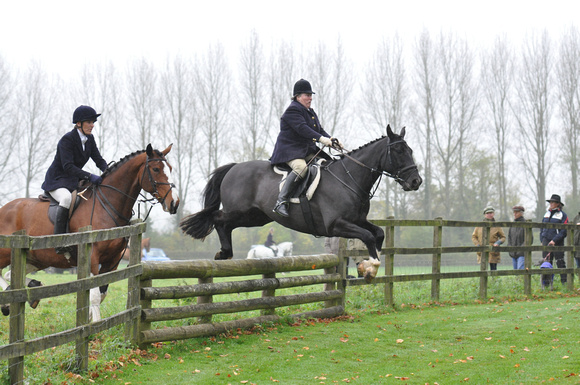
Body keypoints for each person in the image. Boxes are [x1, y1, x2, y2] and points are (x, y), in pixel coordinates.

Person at [270, 79, 342, 217]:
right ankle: (281, 201)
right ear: (298, 96)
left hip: (306, 150)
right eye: (307, 95)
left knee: (329, 164)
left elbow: (320, 130)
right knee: (301, 169)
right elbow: (303, 129)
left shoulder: (310, 112)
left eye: (311, 95)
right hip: (290, 151)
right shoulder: (293, 110)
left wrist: (332, 140)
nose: (310, 98)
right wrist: (321, 139)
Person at [41, 105, 108, 254]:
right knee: (65, 199)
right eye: (89, 122)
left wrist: (108, 170)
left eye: (93, 122)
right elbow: (68, 167)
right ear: (79, 123)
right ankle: (59, 242)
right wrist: (90, 176)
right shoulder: (67, 140)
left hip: (72, 181)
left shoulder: (89, 139)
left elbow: (98, 159)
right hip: (57, 180)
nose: (92, 125)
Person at [540, 194, 568, 284]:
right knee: (547, 264)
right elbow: (542, 227)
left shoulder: (563, 215)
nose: (551, 204)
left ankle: (564, 283)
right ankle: (547, 284)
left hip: (557, 243)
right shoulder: (546, 214)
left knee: (560, 262)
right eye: (550, 202)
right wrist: (542, 239)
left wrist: (554, 240)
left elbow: (564, 231)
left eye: (553, 202)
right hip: (546, 242)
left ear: (558, 204)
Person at [471, 206, 506, 270]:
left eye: (491, 213)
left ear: (493, 214)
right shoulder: (479, 225)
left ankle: (494, 280)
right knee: (483, 269)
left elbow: (503, 237)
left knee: (493, 270)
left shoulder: (497, 225)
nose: (489, 215)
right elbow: (474, 237)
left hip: (493, 251)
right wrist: (477, 244)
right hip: (482, 250)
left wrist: (498, 242)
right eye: (487, 213)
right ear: (484, 214)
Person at [507, 205, 531, 270]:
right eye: (514, 212)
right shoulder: (512, 225)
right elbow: (509, 238)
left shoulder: (525, 224)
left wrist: (521, 249)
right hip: (513, 253)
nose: (514, 214)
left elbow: (529, 239)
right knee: (516, 272)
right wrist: (510, 248)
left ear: (521, 213)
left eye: (516, 212)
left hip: (522, 253)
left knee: (521, 270)